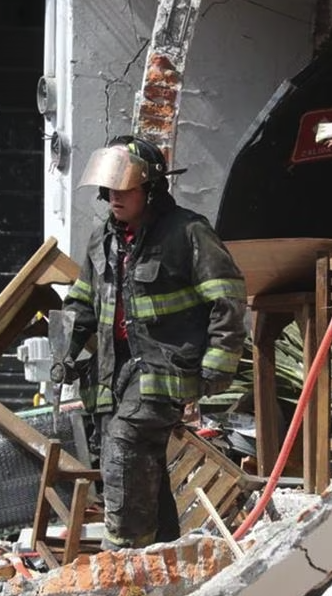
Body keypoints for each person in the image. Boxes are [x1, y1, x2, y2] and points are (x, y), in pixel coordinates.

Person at [59, 135, 247, 549]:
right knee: (142, 467)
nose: (113, 197)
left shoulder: (188, 233)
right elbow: (82, 301)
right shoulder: (101, 240)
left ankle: (123, 557)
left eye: (124, 188)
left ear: (152, 187)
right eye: (108, 189)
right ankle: (161, 555)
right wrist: (64, 350)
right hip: (112, 374)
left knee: (124, 452)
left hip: (163, 371)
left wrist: (217, 366)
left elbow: (228, 298)